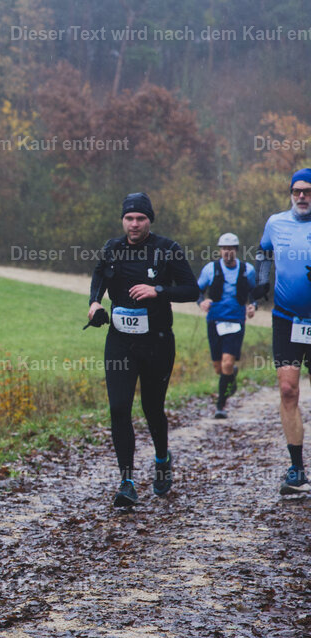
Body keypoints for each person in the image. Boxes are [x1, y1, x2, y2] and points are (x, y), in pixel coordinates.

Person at [87, 192, 200, 508]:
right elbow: (98, 278)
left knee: (152, 407)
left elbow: (192, 290)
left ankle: (162, 459)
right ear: (122, 220)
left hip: (158, 341)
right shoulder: (113, 249)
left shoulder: (167, 250)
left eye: (140, 218)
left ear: (150, 220)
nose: (134, 224)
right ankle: (127, 481)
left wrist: (158, 290)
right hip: (120, 341)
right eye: (129, 218)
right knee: (119, 407)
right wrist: (94, 304)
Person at [253, 168, 311, 496]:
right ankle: (297, 471)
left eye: (308, 191)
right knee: (288, 390)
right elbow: (264, 251)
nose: (301, 196)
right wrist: (262, 280)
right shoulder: (276, 223)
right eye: (296, 191)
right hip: (287, 319)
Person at [196, 233, 257, 419]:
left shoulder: (248, 270)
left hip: (236, 321)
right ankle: (231, 376)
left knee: (227, 362)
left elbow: (255, 292)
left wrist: (253, 305)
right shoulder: (210, 269)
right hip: (214, 321)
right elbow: (197, 290)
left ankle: (220, 406)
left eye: (230, 249)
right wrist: (201, 302)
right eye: (223, 249)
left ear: (236, 250)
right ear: (220, 250)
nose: (227, 252)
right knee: (219, 368)